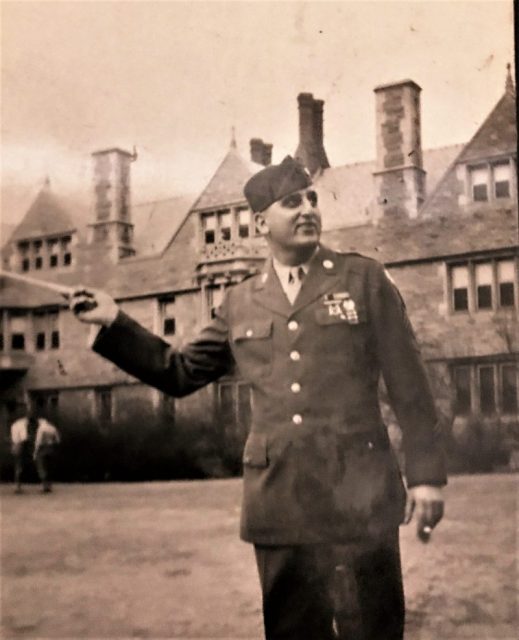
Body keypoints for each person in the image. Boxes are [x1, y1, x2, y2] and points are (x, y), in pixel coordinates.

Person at [71, 156, 446, 640]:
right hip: (279, 506)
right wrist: (113, 322)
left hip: (358, 500)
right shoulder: (240, 300)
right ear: (259, 222)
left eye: (312, 199)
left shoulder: (364, 280)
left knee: (370, 631)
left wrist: (426, 476)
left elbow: (409, 384)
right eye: (292, 203)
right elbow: (180, 371)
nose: (307, 209)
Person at [10, 408, 60, 493]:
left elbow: (36, 441)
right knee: (45, 466)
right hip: (44, 447)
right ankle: (47, 485)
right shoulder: (51, 427)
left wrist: (34, 452)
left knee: (21, 466)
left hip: (18, 444)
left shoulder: (17, 425)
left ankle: (17, 486)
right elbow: (57, 440)